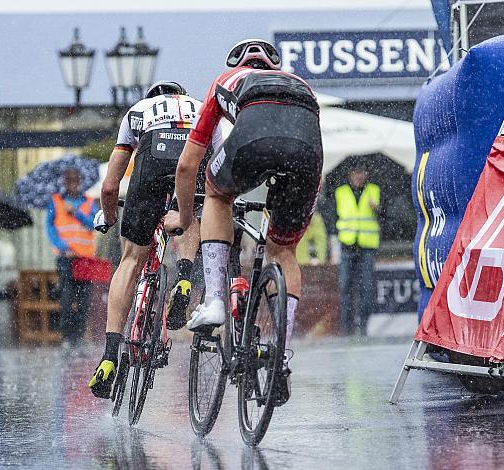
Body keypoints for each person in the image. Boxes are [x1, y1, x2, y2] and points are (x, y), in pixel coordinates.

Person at [166, 39, 323, 405]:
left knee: (218, 194)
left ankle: (216, 302)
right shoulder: (300, 84)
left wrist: (186, 216)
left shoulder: (228, 80)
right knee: (283, 250)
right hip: (307, 153)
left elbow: (188, 164)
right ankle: (281, 351)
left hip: (253, 141)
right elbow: (302, 138)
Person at [88, 80, 223, 399]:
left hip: (151, 162)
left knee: (131, 261)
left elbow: (109, 188)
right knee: (188, 212)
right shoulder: (202, 109)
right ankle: (186, 278)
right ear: (181, 95)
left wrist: (108, 217)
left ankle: (109, 355)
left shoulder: (137, 112)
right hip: (194, 160)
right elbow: (221, 163)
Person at [46, 169, 98, 346]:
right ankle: (67, 337)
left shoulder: (89, 202)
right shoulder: (55, 201)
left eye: (75, 180)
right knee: (67, 299)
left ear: (80, 181)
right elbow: (50, 229)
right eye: (69, 181)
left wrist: (76, 212)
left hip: (85, 259)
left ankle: (79, 336)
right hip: (65, 258)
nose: (72, 184)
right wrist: (62, 247)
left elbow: (95, 224)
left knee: (84, 301)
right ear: (65, 182)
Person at [334, 166, 380, 336]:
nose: (358, 176)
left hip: (366, 245)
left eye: (361, 172)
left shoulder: (374, 190)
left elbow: (385, 214)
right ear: (350, 174)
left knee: (366, 287)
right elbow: (333, 215)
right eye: (355, 172)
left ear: (366, 174)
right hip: (347, 244)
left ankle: (363, 324)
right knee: (345, 287)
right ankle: (346, 327)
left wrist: (377, 208)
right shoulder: (341, 192)